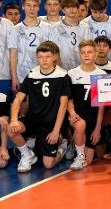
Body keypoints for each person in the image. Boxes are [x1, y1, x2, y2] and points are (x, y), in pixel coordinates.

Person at [8, 41, 70, 173]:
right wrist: (13, 120)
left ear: (55, 57)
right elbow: (18, 99)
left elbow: (63, 105)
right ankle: (27, 155)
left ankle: (62, 147)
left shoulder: (63, 76)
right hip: (33, 119)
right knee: (11, 129)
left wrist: (56, 131)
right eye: (40, 57)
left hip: (51, 123)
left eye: (47, 57)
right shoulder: (32, 74)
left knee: (48, 164)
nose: (44, 60)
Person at [64, 41, 103, 170]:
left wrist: (98, 128)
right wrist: (72, 112)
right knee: (80, 124)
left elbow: (101, 105)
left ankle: (75, 144)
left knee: (89, 160)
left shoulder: (101, 74)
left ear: (96, 54)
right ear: (79, 54)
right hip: (76, 116)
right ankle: (79, 155)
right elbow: (68, 99)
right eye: (83, 52)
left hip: (92, 117)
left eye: (89, 52)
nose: (86, 55)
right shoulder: (72, 73)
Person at [9, 0, 48, 86]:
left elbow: (53, 53)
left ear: (38, 8)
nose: (32, 9)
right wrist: (14, 77)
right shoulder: (15, 29)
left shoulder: (48, 27)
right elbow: (13, 55)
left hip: (44, 74)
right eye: (28, 5)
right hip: (22, 75)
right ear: (23, 7)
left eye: (35, 6)